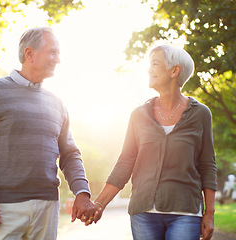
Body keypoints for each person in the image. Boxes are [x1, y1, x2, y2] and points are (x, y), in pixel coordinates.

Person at [0, 27, 97, 239]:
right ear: (29, 54)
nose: (58, 59)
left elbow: (70, 153)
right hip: (2, 208)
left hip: (47, 206)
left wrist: (82, 192)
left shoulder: (57, 103)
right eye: (52, 52)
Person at [89, 45, 217, 240]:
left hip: (185, 213)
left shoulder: (200, 114)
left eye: (155, 64)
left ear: (175, 70)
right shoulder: (139, 115)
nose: (149, 69)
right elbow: (125, 163)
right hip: (143, 214)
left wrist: (209, 214)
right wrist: (99, 204)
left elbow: (208, 165)